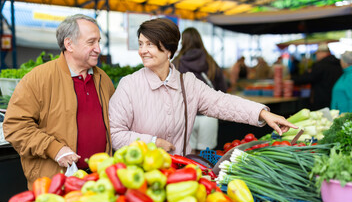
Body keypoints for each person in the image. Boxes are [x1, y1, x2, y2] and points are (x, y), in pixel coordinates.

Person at [108, 18, 297, 155]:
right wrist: (152, 142)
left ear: (169, 50)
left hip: (180, 173)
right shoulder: (129, 85)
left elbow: (222, 103)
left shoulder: (188, 84)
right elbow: (115, 133)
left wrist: (262, 113)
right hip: (137, 176)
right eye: (141, 44)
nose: (142, 51)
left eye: (149, 44)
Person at [3, 14, 115, 189]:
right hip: (55, 182)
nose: (98, 49)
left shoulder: (103, 79)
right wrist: (54, 149)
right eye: (91, 42)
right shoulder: (38, 78)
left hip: (100, 180)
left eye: (99, 41)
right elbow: (15, 126)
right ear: (69, 44)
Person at [172, 27, 227, 154]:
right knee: (205, 158)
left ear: (183, 42)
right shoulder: (211, 62)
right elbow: (222, 89)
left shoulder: (176, 63)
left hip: (185, 116)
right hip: (209, 115)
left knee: (189, 157)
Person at [293, 43, 343, 111]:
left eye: (317, 53)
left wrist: (293, 79)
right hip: (335, 97)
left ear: (322, 53)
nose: (316, 56)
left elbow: (308, 78)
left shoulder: (320, 65)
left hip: (321, 99)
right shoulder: (339, 63)